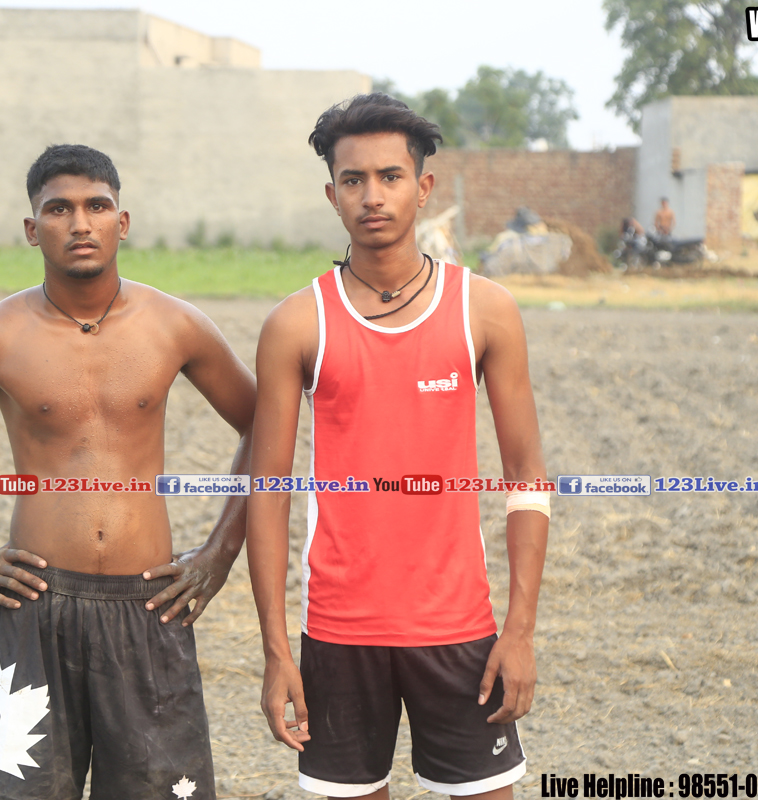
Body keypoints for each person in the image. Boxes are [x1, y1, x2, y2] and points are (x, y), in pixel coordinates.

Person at [0, 144, 254, 800]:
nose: (80, 223)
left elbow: (263, 424)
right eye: (58, 209)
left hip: (149, 607)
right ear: (32, 229)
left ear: (121, 223)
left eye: (96, 206)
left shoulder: (175, 325)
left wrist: (220, 551)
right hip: (34, 607)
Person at [247, 93, 550, 800]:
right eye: (353, 180)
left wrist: (520, 631)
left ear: (424, 187)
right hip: (338, 633)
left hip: (460, 629)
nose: (372, 196)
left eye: (390, 176)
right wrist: (275, 650)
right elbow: (267, 494)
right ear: (332, 195)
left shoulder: (485, 309)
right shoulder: (296, 324)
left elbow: (527, 477)